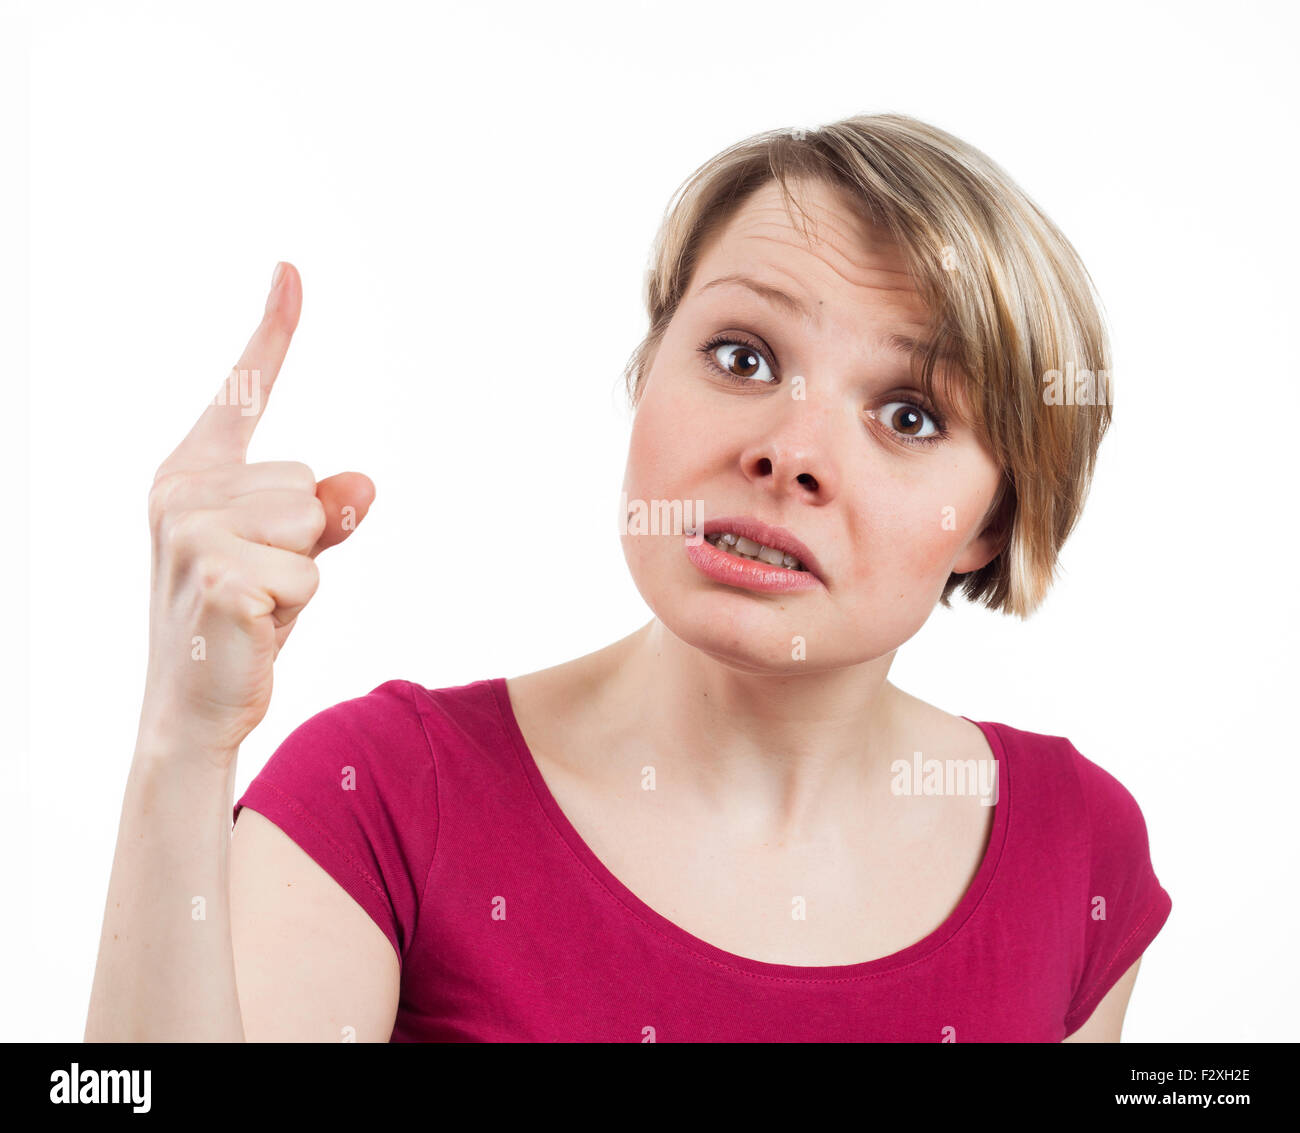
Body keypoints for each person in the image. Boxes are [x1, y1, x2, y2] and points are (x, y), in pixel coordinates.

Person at [85, 114, 1170, 1042]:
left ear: (992, 520)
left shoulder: (1076, 847)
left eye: (910, 414)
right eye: (743, 355)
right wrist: (183, 741)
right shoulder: (380, 795)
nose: (791, 450)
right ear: (649, 370)